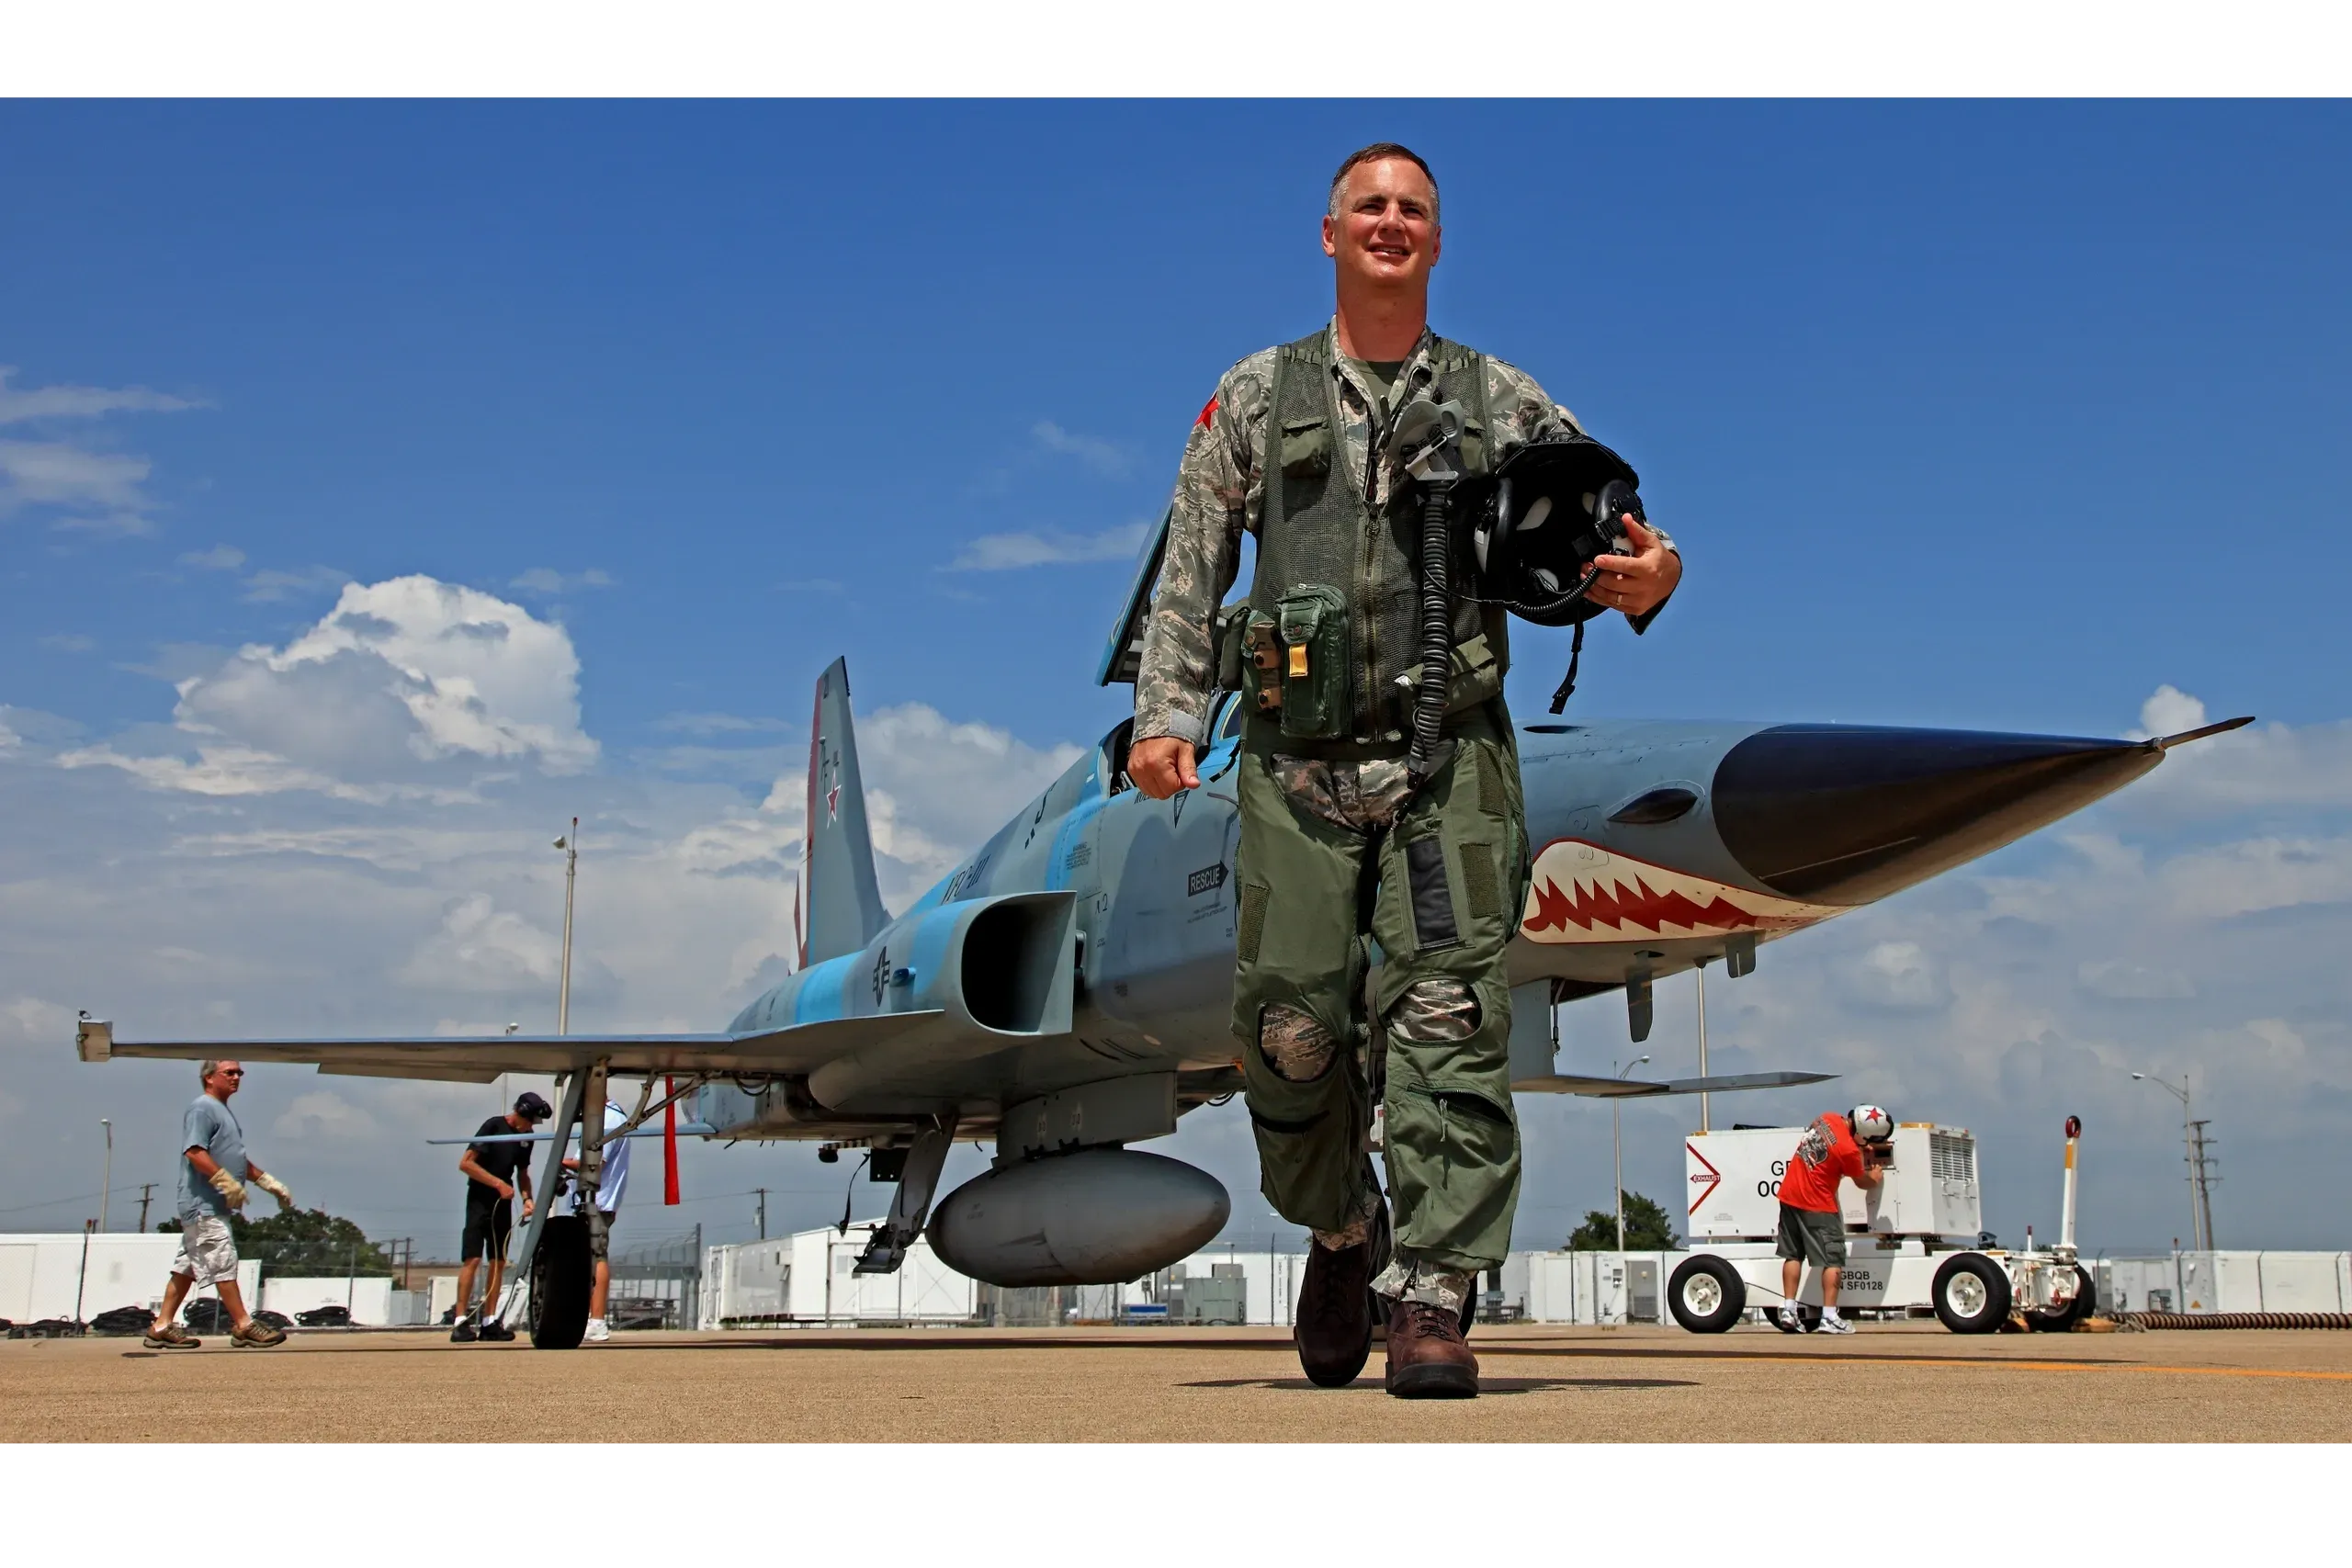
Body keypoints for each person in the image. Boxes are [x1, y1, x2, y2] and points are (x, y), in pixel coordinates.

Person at [1128, 143, 1682, 1397]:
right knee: (1290, 1031)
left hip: (1450, 760)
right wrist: (1165, 714)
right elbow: (1192, 559)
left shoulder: (1500, 400)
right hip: (1293, 766)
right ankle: (1342, 1232)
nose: (1391, 222)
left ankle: (1434, 1294)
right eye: (1369, 206)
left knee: (1449, 1017)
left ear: (1437, 241)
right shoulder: (1257, 396)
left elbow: (1612, 519)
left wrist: (1659, 576)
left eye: (1413, 210)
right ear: (1330, 234)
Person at [144, 1060, 294, 1349]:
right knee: (223, 1259)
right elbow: (194, 1151)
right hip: (203, 1205)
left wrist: (268, 1182)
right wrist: (224, 1182)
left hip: (212, 1205)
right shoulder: (202, 1109)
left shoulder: (223, 1112)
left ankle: (161, 1326)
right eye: (230, 1072)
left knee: (185, 1267)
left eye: (240, 1072)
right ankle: (243, 1324)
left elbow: (235, 1159)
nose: (237, 1077)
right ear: (209, 1077)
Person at [1776, 1105, 1894, 1334]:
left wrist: (1859, 1144)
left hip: (1790, 1195)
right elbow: (1862, 1182)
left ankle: (1789, 1310)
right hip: (1818, 1204)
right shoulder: (1849, 1151)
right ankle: (1829, 1316)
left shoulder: (1826, 1118)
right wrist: (1876, 1177)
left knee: (1793, 1254)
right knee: (1833, 1259)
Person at [450, 1089, 551, 1343]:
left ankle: (489, 1320)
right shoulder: (493, 1127)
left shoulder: (527, 1137)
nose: (532, 1126)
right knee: (472, 1259)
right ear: (522, 1113)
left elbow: (523, 1172)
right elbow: (466, 1163)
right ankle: (460, 1320)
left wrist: (528, 1198)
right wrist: (497, 1184)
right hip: (480, 1200)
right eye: (531, 1120)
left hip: (502, 1203)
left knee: (498, 1261)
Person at [558, 1099, 632, 1344]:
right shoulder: (609, 1119)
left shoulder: (608, 1120)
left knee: (597, 1257)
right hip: (596, 1201)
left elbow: (596, 1163)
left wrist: (560, 1163)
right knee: (590, 1258)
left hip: (597, 1202)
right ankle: (591, 1317)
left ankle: (598, 1320)